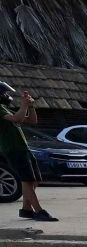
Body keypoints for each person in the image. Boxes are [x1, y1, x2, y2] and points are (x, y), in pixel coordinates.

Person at [0, 84, 53, 222]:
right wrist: (23, 105)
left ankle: (26, 209)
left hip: (23, 148)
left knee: (34, 179)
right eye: (5, 93)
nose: (7, 96)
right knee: (27, 180)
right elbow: (17, 118)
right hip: (13, 149)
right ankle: (39, 211)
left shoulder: (5, 109)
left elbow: (32, 120)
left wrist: (30, 106)